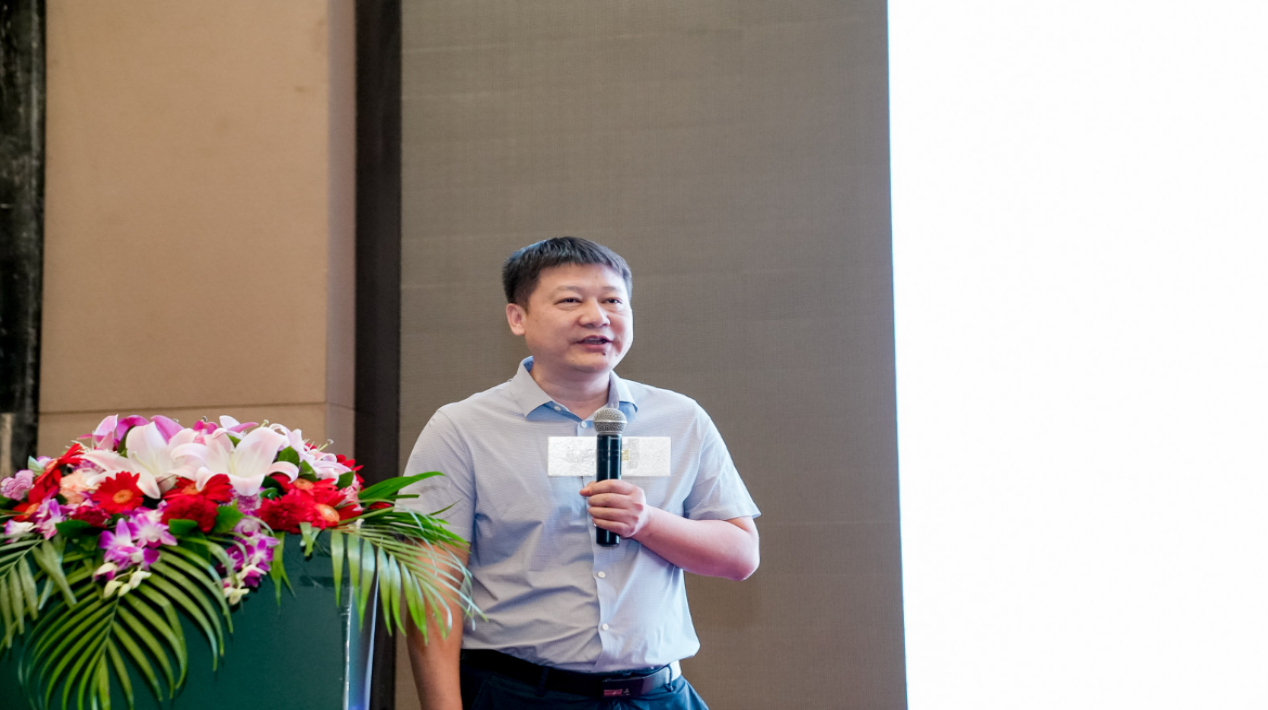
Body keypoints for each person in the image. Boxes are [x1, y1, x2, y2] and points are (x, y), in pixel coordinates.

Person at [400, 237, 760, 710]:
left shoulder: (680, 418)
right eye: (571, 300)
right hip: (519, 695)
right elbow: (432, 589)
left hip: (657, 696)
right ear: (518, 317)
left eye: (613, 301)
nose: (597, 317)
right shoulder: (462, 428)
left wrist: (647, 523)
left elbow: (740, 556)